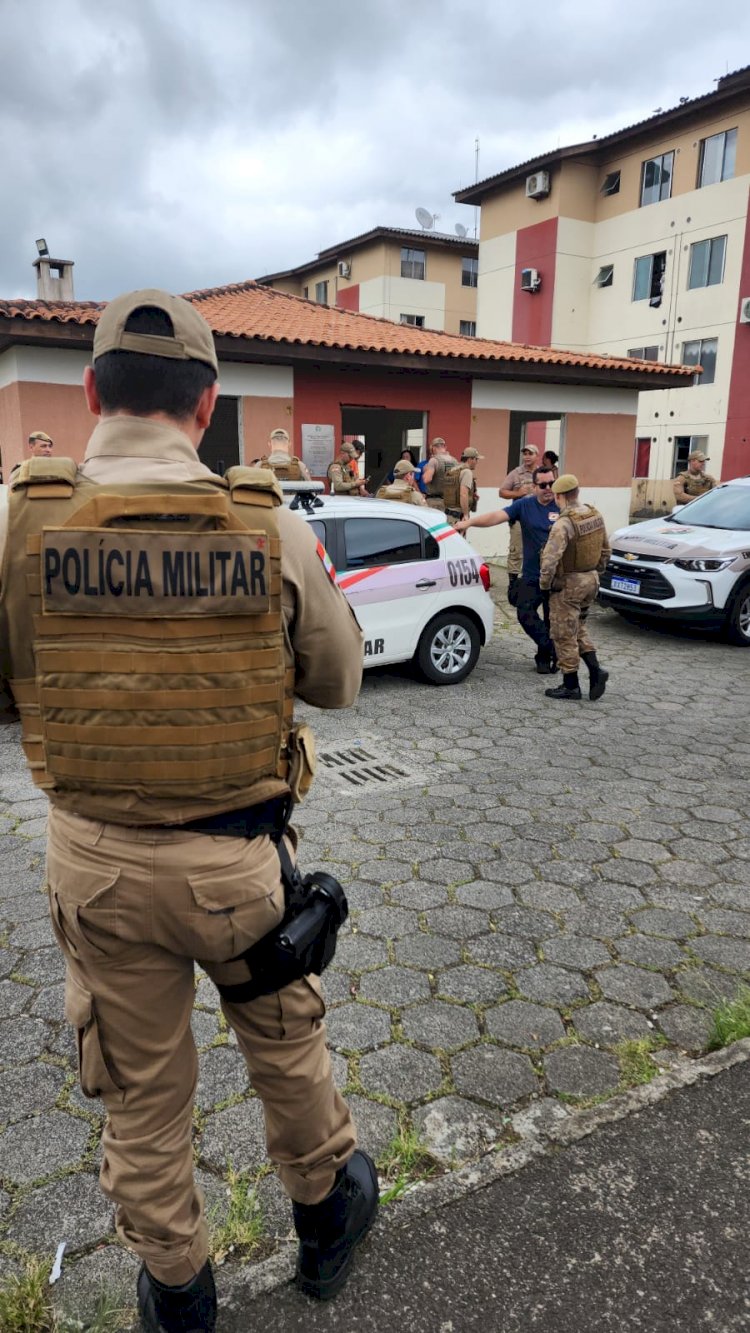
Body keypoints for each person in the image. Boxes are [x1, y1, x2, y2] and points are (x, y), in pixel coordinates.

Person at [0, 289, 378, 1332]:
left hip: (98, 873)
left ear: (90, 393)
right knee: (287, 1049)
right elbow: (340, 679)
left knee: (141, 1095)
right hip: (238, 869)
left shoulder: (19, 519)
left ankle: (178, 1292)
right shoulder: (267, 521)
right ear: (207, 405)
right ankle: (325, 1226)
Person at [457, 465, 560, 673]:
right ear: (534, 486)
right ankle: (551, 647)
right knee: (525, 612)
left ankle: (545, 659)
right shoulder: (525, 505)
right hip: (533, 574)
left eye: (552, 483)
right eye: (543, 485)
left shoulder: (562, 505)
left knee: (553, 620)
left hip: (558, 576)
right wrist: (470, 522)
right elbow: (497, 516)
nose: (548, 488)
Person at [539, 473, 611, 702]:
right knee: (578, 626)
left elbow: (550, 559)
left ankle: (571, 685)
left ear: (558, 496)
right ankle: (596, 670)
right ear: (577, 492)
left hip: (568, 585)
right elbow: (606, 550)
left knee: (563, 633)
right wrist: (595, 572)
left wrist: (545, 585)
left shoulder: (564, 523)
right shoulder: (594, 515)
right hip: (590, 580)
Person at [499, 444, 538, 605]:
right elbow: (502, 492)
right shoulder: (516, 473)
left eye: (530, 454)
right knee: (516, 550)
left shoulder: (541, 473)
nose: (527, 456)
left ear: (536, 456)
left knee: (537, 551)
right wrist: (517, 493)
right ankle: (513, 585)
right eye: (525, 453)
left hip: (537, 518)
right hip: (520, 519)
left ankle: (533, 583)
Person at [421, 436, 461, 510]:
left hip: (435, 502)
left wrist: (425, 470)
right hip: (450, 502)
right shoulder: (455, 461)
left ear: (433, 448)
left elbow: (427, 479)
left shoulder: (434, 460)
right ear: (445, 447)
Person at [444, 447, 483, 524]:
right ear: (470, 459)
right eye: (476, 459)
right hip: (458, 516)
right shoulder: (467, 472)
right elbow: (463, 494)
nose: (477, 462)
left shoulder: (453, 470)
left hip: (448, 513)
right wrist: (466, 515)